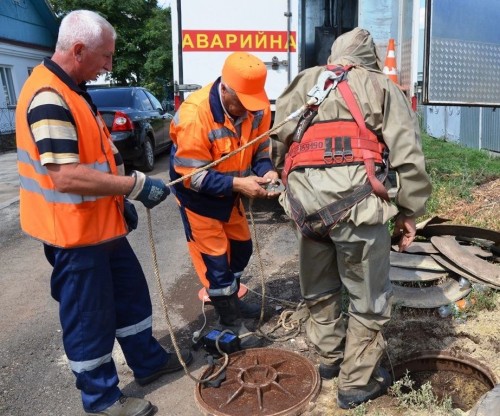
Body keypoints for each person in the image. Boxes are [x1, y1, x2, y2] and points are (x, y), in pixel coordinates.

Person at [15, 10, 192, 416]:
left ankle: (146, 362)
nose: (109, 66)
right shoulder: (49, 98)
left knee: (131, 299)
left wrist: (119, 198)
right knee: (89, 320)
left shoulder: (72, 90)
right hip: (75, 238)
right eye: (106, 57)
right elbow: (66, 177)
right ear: (78, 50)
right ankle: (102, 402)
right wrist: (134, 186)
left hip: (100, 228)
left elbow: (97, 162)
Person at [272, 28, 432, 409]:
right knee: (369, 298)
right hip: (357, 207)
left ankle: (330, 359)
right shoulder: (381, 87)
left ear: (336, 53)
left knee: (319, 287)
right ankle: (355, 383)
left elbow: (279, 141)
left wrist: (290, 187)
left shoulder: (305, 81)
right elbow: (408, 154)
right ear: (370, 57)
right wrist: (408, 212)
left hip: (305, 206)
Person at [169, 52, 280, 349]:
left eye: (252, 101)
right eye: (241, 101)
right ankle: (230, 321)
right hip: (199, 201)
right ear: (225, 89)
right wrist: (240, 184)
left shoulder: (256, 107)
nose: (247, 109)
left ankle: (229, 301)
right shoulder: (195, 115)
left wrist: (267, 172)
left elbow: (260, 150)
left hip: (230, 196)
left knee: (241, 248)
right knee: (216, 263)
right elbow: (193, 178)